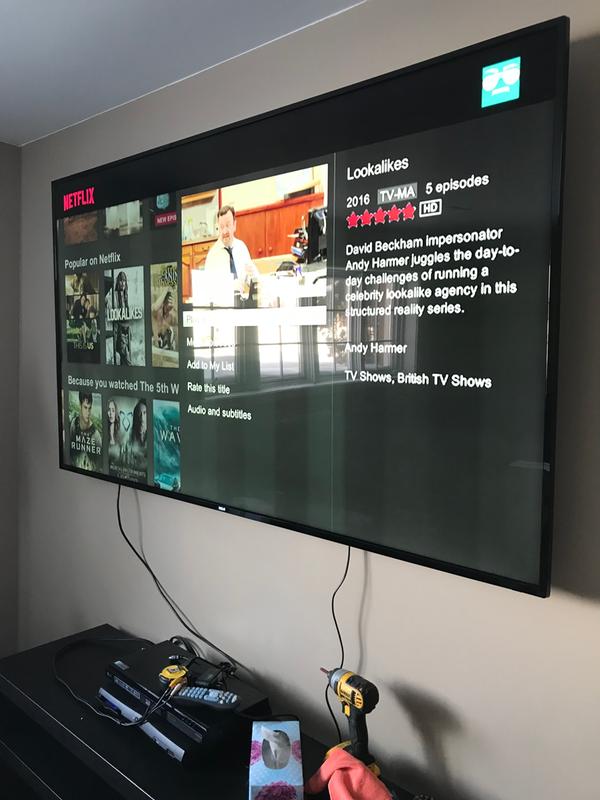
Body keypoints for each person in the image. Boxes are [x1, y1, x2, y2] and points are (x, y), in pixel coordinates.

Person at [204, 205, 258, 299]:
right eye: (221, 227)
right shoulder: (212, 255)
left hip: (242, 302)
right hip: (222, 303)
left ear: (234, 225)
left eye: (228, 225)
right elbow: (208, 289)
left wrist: (253, 279)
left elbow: (251, 276)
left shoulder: (241, 247)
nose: (224, 231)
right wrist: (229, 287)